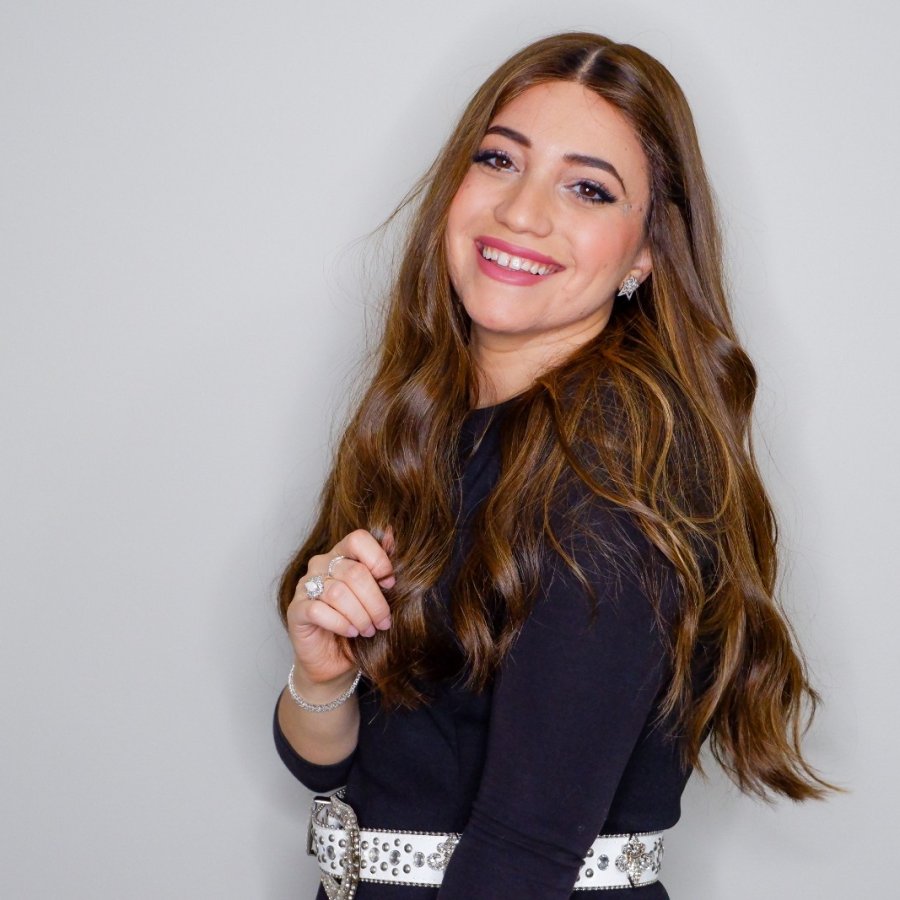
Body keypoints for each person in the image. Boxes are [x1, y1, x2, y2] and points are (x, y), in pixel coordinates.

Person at [272, 32, 833, 899]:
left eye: (587, 188)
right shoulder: (428, 428)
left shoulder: (615, 479)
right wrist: (323, 675)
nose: (522, 212)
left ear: (646, 252)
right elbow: (338, 774)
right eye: (499, 160)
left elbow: (522, 856)